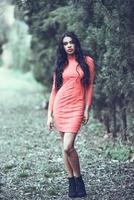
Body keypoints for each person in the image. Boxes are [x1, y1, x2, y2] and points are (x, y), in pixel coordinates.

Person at [47, 31, 95, 198]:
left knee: (68, 146)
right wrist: (49, 114)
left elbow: (89, 87)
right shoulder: (60, 64)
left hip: (76, 107)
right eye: (65, 43)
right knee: (64, 146)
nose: (69, 46)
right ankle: (71, 182)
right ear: (62, 46)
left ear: (76, 44)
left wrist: (86, 109)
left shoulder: (87, 62)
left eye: (71, 42)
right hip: (60, 106)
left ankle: (79, 178)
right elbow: (54, 90)